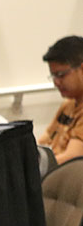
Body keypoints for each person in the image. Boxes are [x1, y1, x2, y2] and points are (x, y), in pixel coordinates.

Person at [40, 36, 83, 164]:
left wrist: (33, 170)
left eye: (61, 75)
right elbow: (42, 143)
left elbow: (73, 158)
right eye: (53, 76)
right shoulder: (68, 105)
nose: (56, 82)